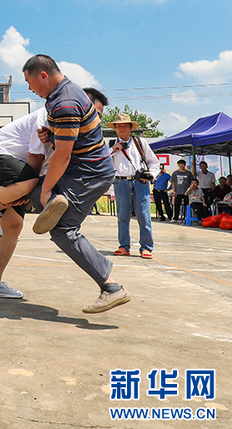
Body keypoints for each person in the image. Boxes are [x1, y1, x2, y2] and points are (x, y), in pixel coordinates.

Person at [23, 54, 129, 313]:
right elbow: (66, 142)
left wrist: (48, 190)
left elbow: (63, 154)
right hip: (82, 169)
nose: (29, 88)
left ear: (43, 75)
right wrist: (50, 136)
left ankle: (111, 288)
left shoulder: (66, 102)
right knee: (35, 192)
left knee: (62, 229)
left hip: (89, 173)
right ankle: (55, 199)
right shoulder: (60, 96)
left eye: (29, 82)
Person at [0, 107, 50, 298]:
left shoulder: (73, 130)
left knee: (13, 225)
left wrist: (17, 195)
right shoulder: (45, 117)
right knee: (32, 180)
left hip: (15, 169)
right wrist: (28, 188)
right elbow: (35, 157)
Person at [108, 114, 161, 259]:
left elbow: (154, 162)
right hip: (120, 182)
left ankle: (146, 247)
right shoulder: (111, 144)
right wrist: (113, 150)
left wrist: (151, 174)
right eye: (118, 126)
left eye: (125, 125)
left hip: (140, 182)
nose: (122, 128)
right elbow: (101, 162)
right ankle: (124, 246)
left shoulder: (140, 142)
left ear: (131, 127)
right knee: (122, 216)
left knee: (144, 215)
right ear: (115, 128)